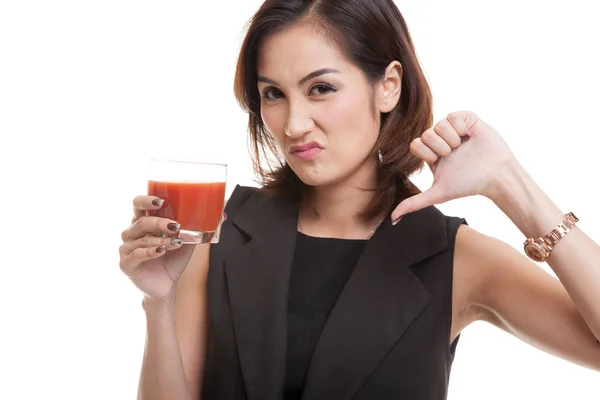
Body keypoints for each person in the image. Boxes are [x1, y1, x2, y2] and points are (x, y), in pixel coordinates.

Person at [118, 0, 600, 399]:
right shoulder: (220, 230)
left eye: (321, 88)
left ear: (388, 86)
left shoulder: (454, 255)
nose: (294, 124)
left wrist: (508, 182)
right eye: (273, 94)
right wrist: (158, 302)